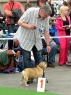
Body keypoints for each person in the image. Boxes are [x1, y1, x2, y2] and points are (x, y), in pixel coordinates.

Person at [14, 5, 52, 69]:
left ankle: (41, 78)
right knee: (27, 59)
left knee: (39, 59)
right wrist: (29, 26)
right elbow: (20, 22)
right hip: (26, 39)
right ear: (41, 11)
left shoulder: (47, 17)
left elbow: (46, 31)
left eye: (47, 16)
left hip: (37, 40)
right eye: (45, 16)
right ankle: (29, 78)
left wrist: (48, 45)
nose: (46, 18)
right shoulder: (30, 12)